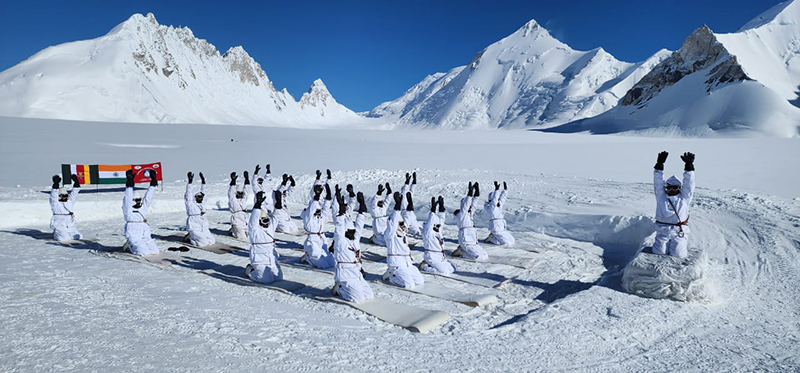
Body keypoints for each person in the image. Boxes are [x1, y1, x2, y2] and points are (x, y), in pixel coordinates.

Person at [331, 191, 374, 303]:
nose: (353, 233)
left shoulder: (355, 239)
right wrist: (340, 213)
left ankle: (350, 288)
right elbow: (339, 228)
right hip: (346, 275)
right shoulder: (341, 242)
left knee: (369, 296)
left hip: (357, 274)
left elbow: (359, 226)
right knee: (358, 299)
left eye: (353, 231)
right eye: (350, 231)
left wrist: (362, 211)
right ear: (345, 232)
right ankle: (340, 288)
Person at [652, 151, 696, 259]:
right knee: (659, 252)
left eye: (675, 188)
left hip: (678, 232)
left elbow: (689, 184)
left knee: (678, 255)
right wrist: (659, 165)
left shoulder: (684, 198)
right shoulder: (661, 197)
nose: (671, 190)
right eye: (669, 188)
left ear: (679, 188)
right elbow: (658, 183)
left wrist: (689, 167)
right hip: (663, 231)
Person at [382, 192, 425, 289]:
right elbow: (392, 222)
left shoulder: (403, 233)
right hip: (397, 264)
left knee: (419, 281)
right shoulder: (390, 234)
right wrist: (397, 206)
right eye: (400, 223)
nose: (403, 225)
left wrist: (409, 201)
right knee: (409, 285)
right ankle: (392, 276)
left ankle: (400, 275)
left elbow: (409, 215)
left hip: (407, 263)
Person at [245, 191, 283, 284]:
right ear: (259, 221)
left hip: (270, 258)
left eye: (267, 220)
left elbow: (277, 216)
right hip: (259, 259)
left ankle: (265, 271)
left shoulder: (270, 226)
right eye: (264, 221)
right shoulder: (255, 230)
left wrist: (278, 202)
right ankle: (250, 270)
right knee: (267, 280)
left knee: (279, 278)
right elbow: (253, 220)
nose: (266, 223)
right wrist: (257, 205)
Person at [122, 169, 160, 256]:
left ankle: (142, 245)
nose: (138, 202)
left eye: (139, 200)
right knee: (144, 253)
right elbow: (128, 197)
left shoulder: (143, 207)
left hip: (144, 231)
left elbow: (148, 197)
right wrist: (130, 184)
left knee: (155, 252)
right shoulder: (128, 208)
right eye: (136, 200)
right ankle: (129, 245)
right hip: (133, 231)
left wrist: (153, 183)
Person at [299, 183, 335, 268]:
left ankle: (315, 256)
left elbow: (325, 209)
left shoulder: (320, 216)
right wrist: (317, 195)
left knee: (332, 263)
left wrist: (328, 197)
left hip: (322, 238)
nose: (319, 212)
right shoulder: (309, 218)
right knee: (323, 265)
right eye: (317, 211)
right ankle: (308, 258)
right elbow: (312, 208)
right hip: (312, 241)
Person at [452, 182, 489, 261]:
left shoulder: (469, 214)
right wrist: (469, 193)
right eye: (469, 206)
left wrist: (477, 192)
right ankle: (462, 252)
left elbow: (474, 204)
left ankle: (462, 250)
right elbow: (466, 205)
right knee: (478, 257)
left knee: (485, 256)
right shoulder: (462, 214)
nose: (470, 208)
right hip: (466, 240)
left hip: (473, 240)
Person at [420, 196, 455, 274]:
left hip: (440, 256)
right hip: (432, 256)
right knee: (444, 272)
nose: (439, 227)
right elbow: (430, 222)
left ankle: (433, 265)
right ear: (433, 226)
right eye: (437, 226)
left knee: (452, 269)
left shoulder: (438, 232)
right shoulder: (428, 233)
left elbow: (441, 220)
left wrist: (441, 208)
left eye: (439, 226)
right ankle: (424, 266)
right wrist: (433, 210)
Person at [184, 171, 215, 247]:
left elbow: (205, 192)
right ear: (195, 197)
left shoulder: (202, 203)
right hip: (195, 227)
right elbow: (188, 193)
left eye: (201, 196)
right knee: (203, 244)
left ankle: (196, 237)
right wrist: (190, 182)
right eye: (199, 196)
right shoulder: (190, 204)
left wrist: (203, 181)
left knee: (212, 241)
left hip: (203, 227)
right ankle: (191, 237)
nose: (201, 198)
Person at [49, 174, 82, 242]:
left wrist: (76, 182)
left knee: (78, 237)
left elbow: (74, 193)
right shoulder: (55, 203)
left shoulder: (69, 201)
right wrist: (56, 184)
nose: (64, 197)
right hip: (59, 224)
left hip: (69, 224)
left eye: (65, 195)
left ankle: (66, 233)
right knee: (64, 239)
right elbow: (53, 195)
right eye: (62, 195)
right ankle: (56, 233)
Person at [484, 181, 515, 246]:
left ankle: (494, 237)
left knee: (512, 240)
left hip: (501, 227)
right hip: (496, 228)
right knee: (506, 243)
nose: (498, 201)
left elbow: (502, 199)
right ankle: (492, 238)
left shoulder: (498, 206)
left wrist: (505, 190)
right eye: (496, 200)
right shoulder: (491, 207)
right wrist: (496, 190)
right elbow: (495, 200)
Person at [228, 171, 251, 240]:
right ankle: (233, 231)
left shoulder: (243, 199)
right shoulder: (233, 200)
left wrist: (247, 179)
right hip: (237, 219)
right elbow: (231, 192)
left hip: (245, 218)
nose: (241, 195)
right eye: (239, 193)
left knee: (250, 235)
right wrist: (233, 181)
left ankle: (237, 230)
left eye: (242, 193)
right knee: (242, 237)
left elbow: (247, 190)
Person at [400, 172, 422, 236]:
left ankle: (420, 233)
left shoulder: (406, 194)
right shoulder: (406, 195)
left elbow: (409, 189)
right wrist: (409, 181)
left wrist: (411, 181)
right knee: (410, 226)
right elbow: (407, 189)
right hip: (409, 213)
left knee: (413, 227)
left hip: (409, 213)